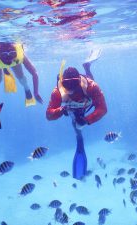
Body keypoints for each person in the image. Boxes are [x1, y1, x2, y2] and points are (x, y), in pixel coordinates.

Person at [46, 50, 107, 179]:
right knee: (77, 128)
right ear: (62, 82)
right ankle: (79, 139)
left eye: (74, 83)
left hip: (86, 102)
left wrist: (87, 120)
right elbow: (48, 115)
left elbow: (102, 109)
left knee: (91, 78)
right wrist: (60, 111)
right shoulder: (57, 92)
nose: (70, 87)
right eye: (67, 84)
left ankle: (87, 67)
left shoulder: (91, 86)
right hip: (71, 109)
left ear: (79, 80)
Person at [0, 42, 43, 110]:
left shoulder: (18, 55)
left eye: (12, 53)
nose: (8, 58)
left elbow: (34, 73)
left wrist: (36, 92)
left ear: (16, 51)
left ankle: (26, 87)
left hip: (13, 60)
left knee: (21, 77)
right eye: (5, 55)